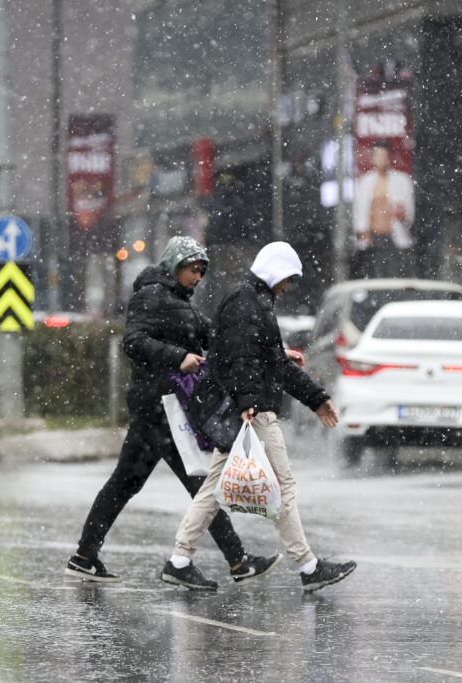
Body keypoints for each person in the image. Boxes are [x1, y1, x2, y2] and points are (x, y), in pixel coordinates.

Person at [66, 236, 281, 584]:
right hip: (159, 407)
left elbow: (212, 337)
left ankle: (85, 555)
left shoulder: (179, 300)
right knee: (200, 482)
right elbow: (133, 342)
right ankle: (235, 561)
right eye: (193, 270)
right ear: (175, 266)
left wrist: (273, 356)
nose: (197, 277)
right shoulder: (151, 296)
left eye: (201, 271)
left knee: (125, 483)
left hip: (161, 407)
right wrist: (177, 357)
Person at [161, 242, 358, 593]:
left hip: (244, 405)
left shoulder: (252, 300)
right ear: (276, 271)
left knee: (212, 489)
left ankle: (179, 560)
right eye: (288, 279)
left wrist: (316, 399)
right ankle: (308, 566)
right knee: (283, 487)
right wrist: (249, 400)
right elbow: (240, 357)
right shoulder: (247, 302)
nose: (289, 286)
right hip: (252, 410)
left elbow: (266, 359)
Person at [352, 140, 415, 278]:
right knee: (373, 276)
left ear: (389, 158)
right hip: (372, 238)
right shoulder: (366, 182)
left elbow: (409, 213)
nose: (380, 160)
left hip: (394, 237)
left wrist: (401, 216)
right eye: (377, 156)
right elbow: (359, 212)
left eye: (383, 156)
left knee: (394, 275)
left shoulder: (402, 181)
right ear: (372, 158)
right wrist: (363, 232)